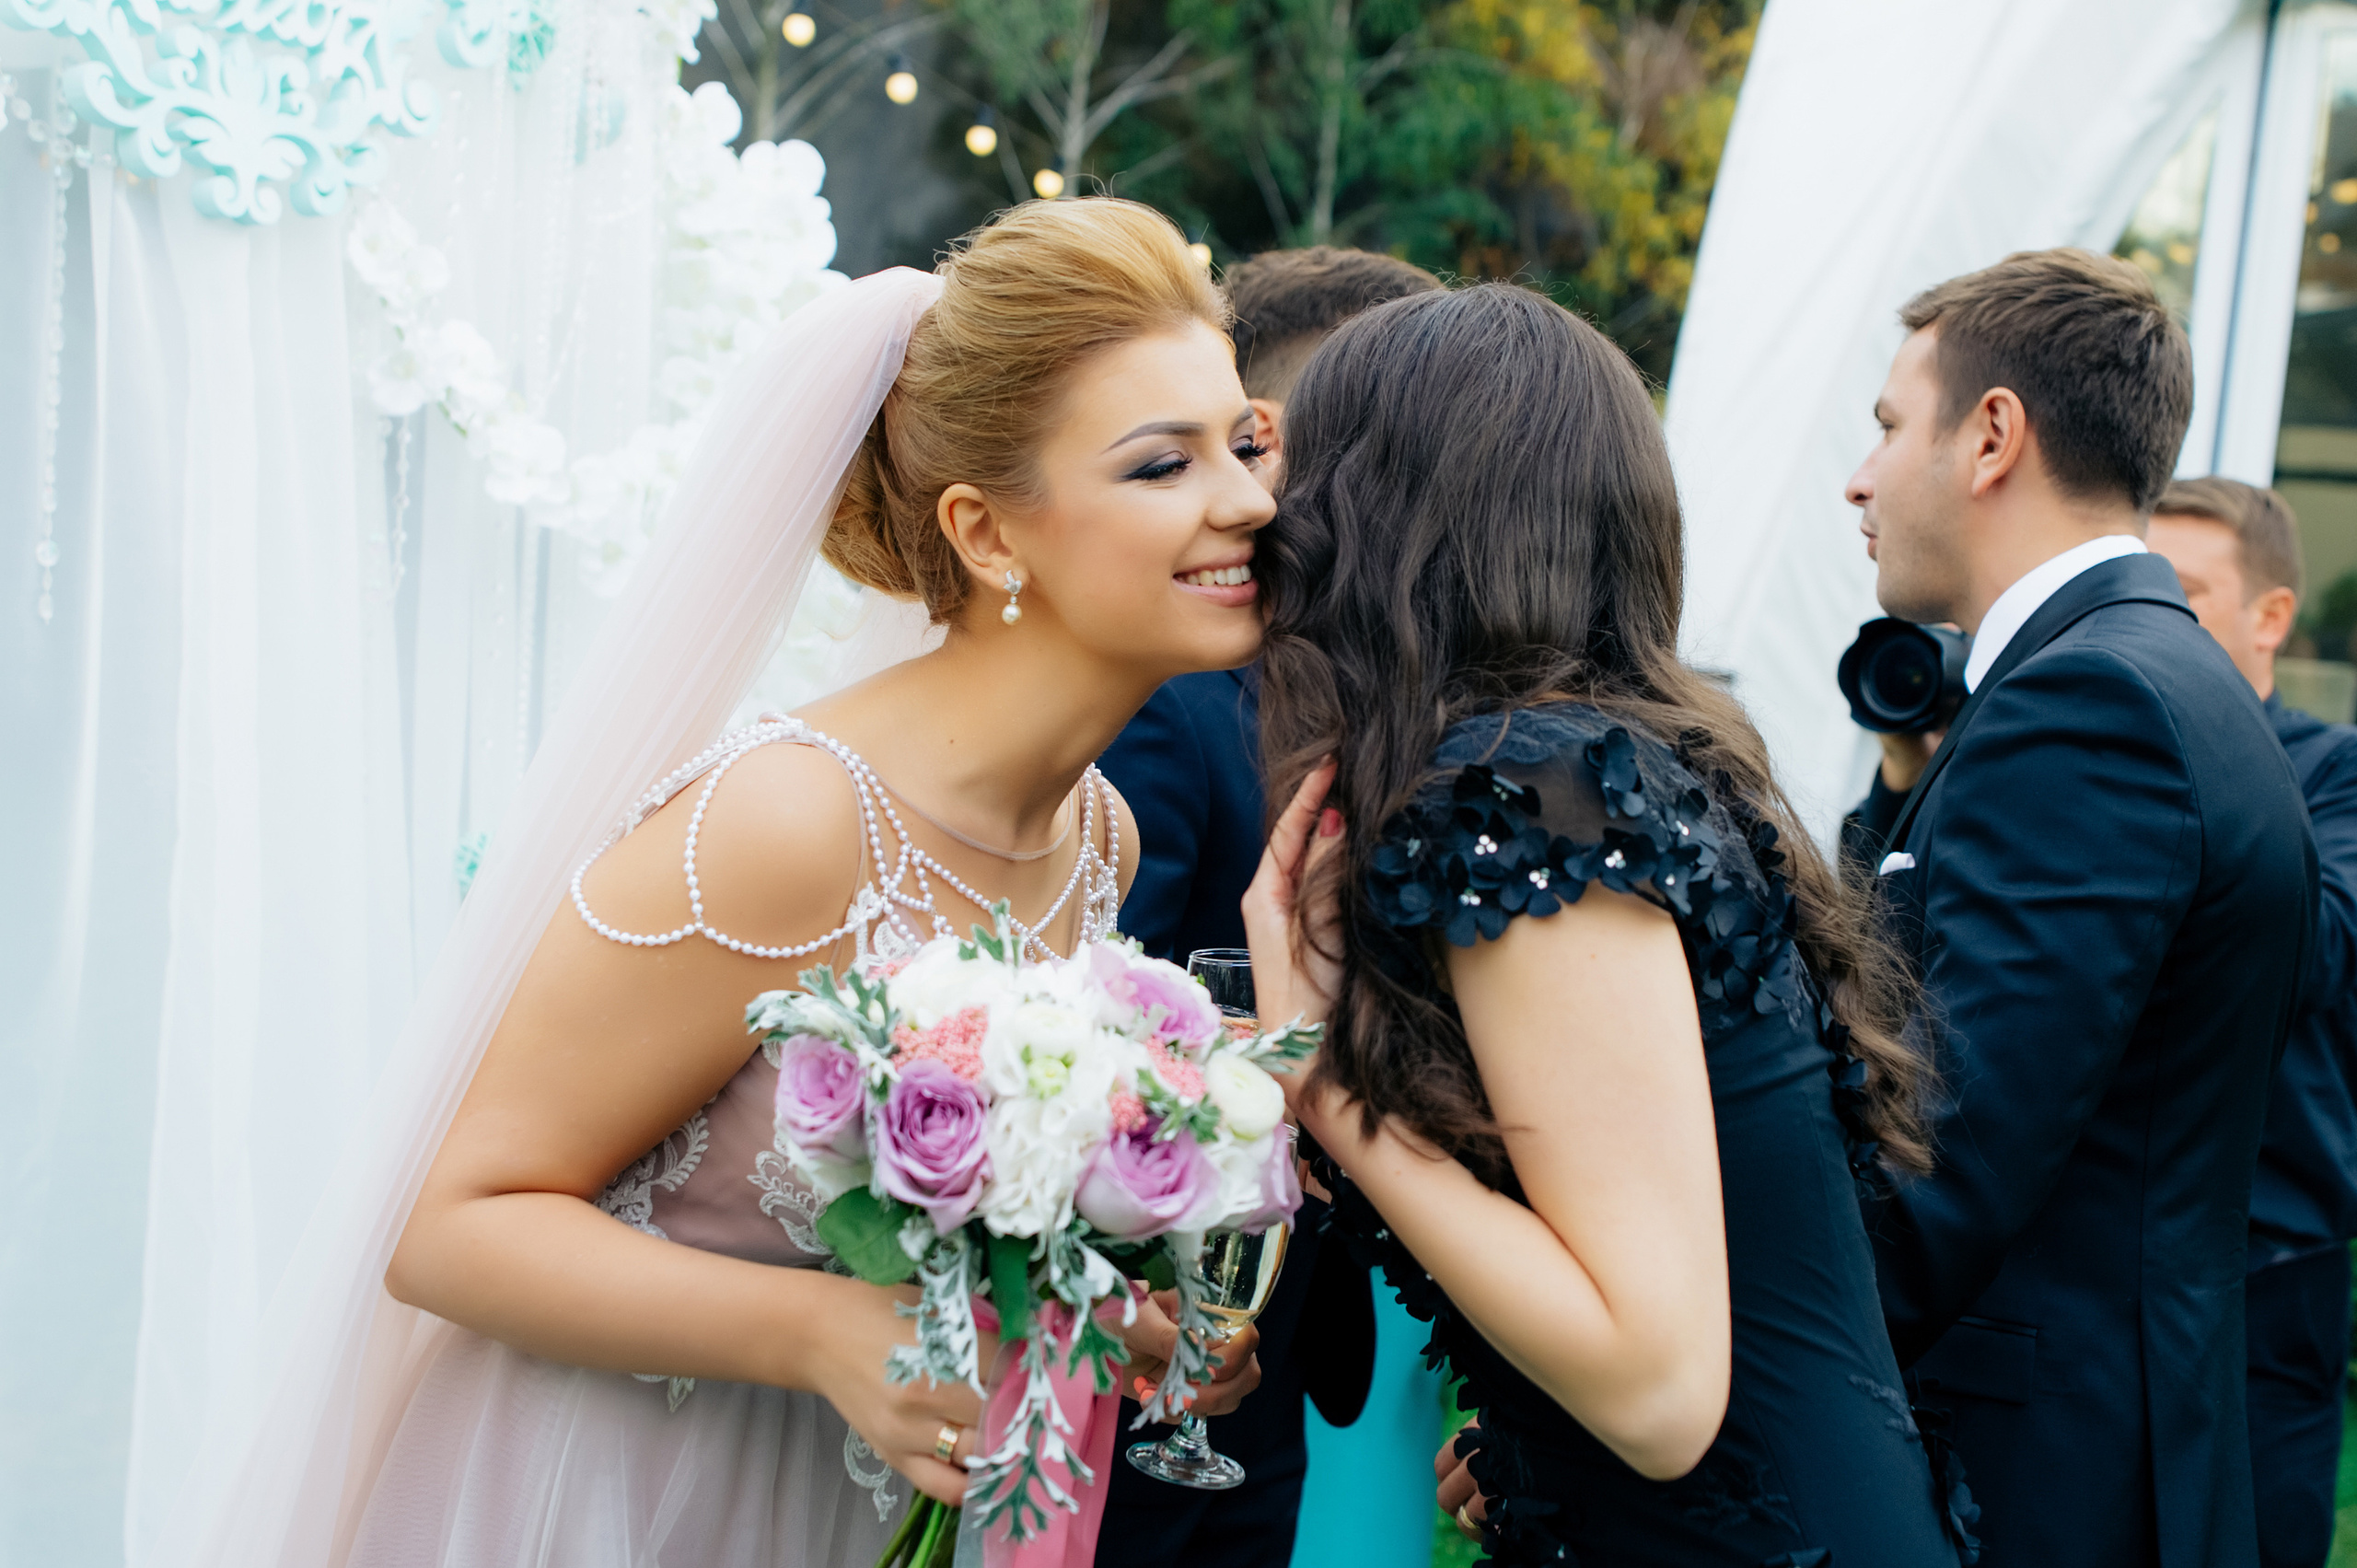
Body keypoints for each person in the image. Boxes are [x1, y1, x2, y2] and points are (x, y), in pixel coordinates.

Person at [159, 199, 1279, 1568]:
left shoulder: (1094, 832)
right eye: (1164, 464)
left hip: (833, 1510)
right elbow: (443, 1224)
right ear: (990, 534)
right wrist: (815, 1334)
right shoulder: (794, 817)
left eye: (1245, 441)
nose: (1247, 500)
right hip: (604, 1496)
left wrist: (1104, 1305)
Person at [1243, 282, 1970, 1566]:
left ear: (1378, 505)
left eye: (1295, 467)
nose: (1264, 514)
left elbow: (1655, 1387)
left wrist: (1321, 1081)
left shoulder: (1520, 797)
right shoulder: (1597, 763)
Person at [1841, 250, 2317, 1568]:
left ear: (1992, 434)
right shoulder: (2141, 675)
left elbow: (1943, 1163)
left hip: (2048, 1479)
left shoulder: (2087, 706)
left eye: (1887, 426)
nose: (1859, 476)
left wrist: (1654, 1394)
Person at [1093, 246, 1439, 1568]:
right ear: (1282, 439)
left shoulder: (1368, 696)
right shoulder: (1174, 716)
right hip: (1162, 1361)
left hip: (1291, 1353)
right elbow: (1118, 1033)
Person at [2148, 477, 2357, 1568]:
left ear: (2269, 617)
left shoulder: (2337, 772)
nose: (2156, 619)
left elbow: (2314, 951)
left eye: (2183, 593)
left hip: (2274, 1255)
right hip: (2129, 1239)